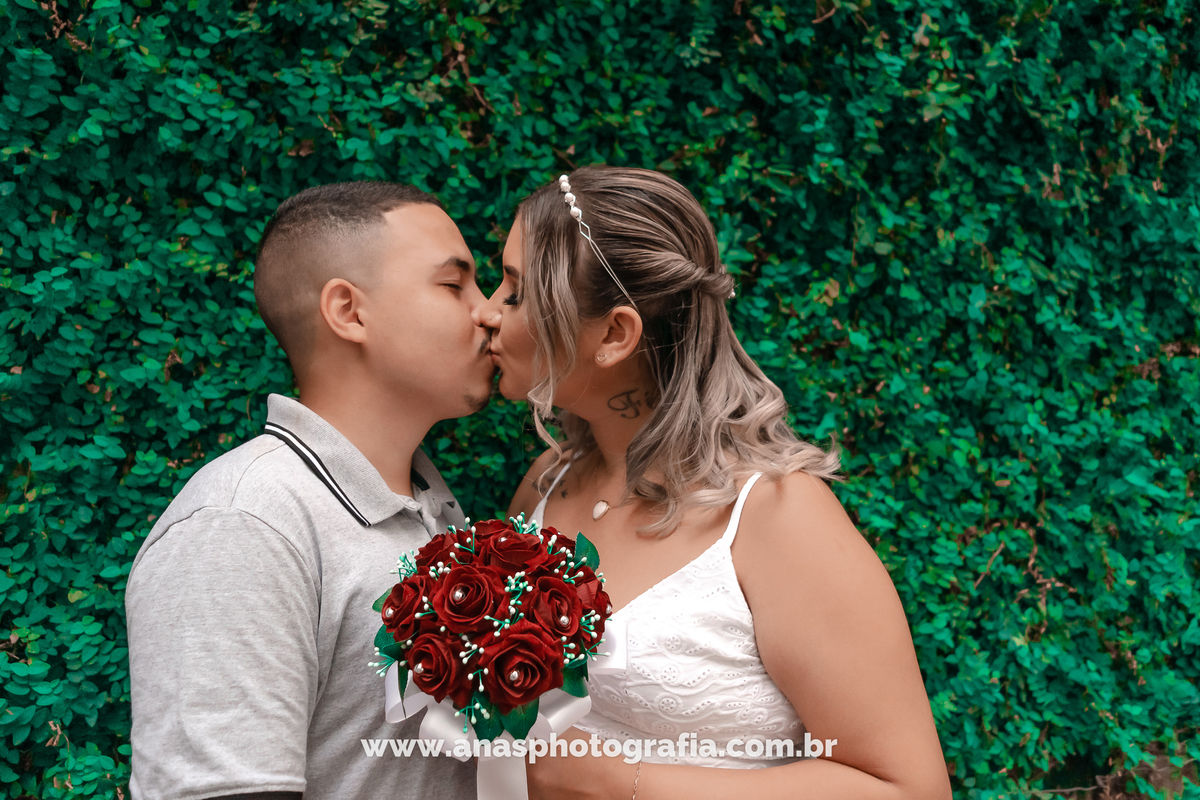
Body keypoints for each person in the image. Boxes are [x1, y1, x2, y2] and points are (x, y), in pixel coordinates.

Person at [474, 166, 953, 800]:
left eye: (514, 293)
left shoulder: (775, 514)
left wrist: (623, 782)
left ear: (614, 335)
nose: (485, 311)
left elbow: (908, 789)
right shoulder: (545, 485)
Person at [125, 182, 491, 800]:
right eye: (455, 285)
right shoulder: (244, 523)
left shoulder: (433, 507)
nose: (488, 312)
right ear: (349, 311)